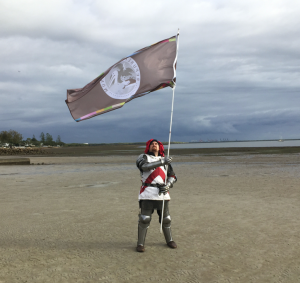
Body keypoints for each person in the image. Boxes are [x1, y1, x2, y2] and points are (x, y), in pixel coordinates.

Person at [135, 139, 178, 252]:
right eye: (152, 144)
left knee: (166, 219)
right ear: (148, 146)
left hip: (162, 192)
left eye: (156, 144)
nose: (154, 145)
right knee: (144, 219)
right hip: (147, 192)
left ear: (160, 147)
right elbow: (144, 167)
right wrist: (162, 162)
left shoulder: (165, 161)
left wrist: (168, 185)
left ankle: (169, 240)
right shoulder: (143, 157)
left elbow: (172, 176)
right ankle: (140, 244)